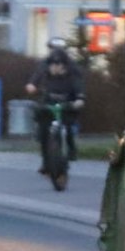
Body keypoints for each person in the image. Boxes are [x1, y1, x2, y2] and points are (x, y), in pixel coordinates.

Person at [24, 39, 85, 171]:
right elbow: (36, 78)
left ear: (63, 65)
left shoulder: (72, 70)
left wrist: (79, 98)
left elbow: (78, 85)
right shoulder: (44, 66)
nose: (54, 67)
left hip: (67, 101)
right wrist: (32, 85)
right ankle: (45, 162)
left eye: (58, 65)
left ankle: (71, 149)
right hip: (49, 101)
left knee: (68, 124)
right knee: (43, 129)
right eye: (52, 65)